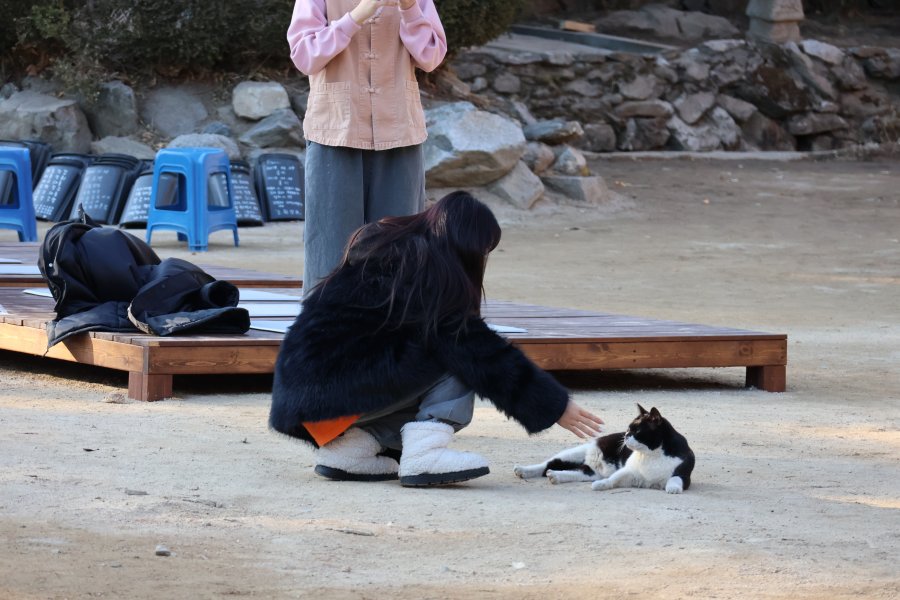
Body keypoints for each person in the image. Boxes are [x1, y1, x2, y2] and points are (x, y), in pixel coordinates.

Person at [269, 191, 605, 487]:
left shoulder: (383, 245)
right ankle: (425, 454)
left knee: (429, 352)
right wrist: (554, 405)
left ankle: (351, 450)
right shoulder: (427, 267)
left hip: (303, 402)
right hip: (337, 395)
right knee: (461, 352)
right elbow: (477, 348)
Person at [287, 0, 447, 293]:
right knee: (330, 246)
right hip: (334, 130)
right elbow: (304, 56)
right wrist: (359, 14)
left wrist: (410, 8)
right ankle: (325, 328)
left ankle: (398, 328)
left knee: (401, 246)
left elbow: (432, 56)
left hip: (399, 131)